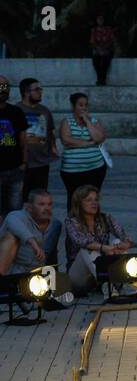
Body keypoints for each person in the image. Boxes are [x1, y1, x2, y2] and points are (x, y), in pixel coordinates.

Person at [64, 185, 133, 296]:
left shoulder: (106, 218)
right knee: (87, 249)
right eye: (89, 200)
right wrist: (104, 248)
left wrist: (125, 244)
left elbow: (124, 236)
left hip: (102, 270)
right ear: (79, 203)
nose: (94, 203)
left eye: (96, 200)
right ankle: (108, 287)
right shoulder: (71, 221)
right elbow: (81, 241)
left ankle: (124, 283)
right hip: (80, 276)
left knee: (116, 242)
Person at [57, 93, 109, 213]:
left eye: (86, 105)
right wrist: (89, 143)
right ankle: (74, 227)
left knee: (92, 198)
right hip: (72, 171)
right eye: (80, 105)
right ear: (73, 106)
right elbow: (66, 140)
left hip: (95, 168)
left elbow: (99, 138)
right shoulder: (67, 122)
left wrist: (87, 121)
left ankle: (91, 228)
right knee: (74, 198)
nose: (84, 108)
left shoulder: (94, 121)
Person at [0, 189, 62, 277]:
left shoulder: (56, 224)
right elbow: (13, 221)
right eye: (41, 204)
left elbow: (51, 255)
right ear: (28, 206)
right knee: (10, 237)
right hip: (12, 268)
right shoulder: (17, 216)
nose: (47, 208)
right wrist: (32, 241)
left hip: (35, 272)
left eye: (49, 204)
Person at [17, 78, 58, 200]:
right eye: (36, 89)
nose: (40, 92)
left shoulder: (44, 111)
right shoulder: (16, 110)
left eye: (40, 89)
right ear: (26, 92)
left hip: (42, 163)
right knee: (21, 199)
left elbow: (50, 132)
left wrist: (53, 148)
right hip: (22, 164)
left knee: (40, 198)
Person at [0, 75, 28, 216]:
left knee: (15, 212)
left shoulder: (16, 112)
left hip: (15, 169)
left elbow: (23, 139)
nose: (2, 90)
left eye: (5, 86)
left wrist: (24, 162)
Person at [89, 15, 116, 86]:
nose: (100, 21)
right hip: (97, 50)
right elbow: (92, 42)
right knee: (96, 63)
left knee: (105, 63)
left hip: (106, 50)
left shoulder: (108, 30)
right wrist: (98, 49)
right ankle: (100, 79)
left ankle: (102, 80)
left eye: (101, 19)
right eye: (98, 19)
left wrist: (105, 48)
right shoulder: (94, 30)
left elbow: (111, 41)